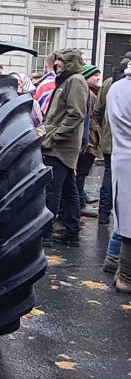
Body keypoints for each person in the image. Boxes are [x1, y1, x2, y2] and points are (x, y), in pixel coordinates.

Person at [42, 48, 88, 247]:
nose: (57, 63)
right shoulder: (68, 80)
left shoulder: (75, 81)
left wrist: (54, 136)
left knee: (53, 190)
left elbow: (76, 114)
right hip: (60, 145)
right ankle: (71, 233)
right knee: (69, 191)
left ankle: (45, 234)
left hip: (60, 147)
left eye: (60, 60)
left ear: (68, 62)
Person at [106, 60, 131, 293]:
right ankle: (126, 275)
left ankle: (118, 267)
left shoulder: (116, 87)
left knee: (124, 213)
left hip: (121, 155)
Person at [77, 64, 101, 217]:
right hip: (90, 139)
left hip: (91, 137)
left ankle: (80, 199)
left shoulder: (92, 93)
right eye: (95, 75)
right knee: (81, 172)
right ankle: (79, 203)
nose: (98, 77)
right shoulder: (89, 94)